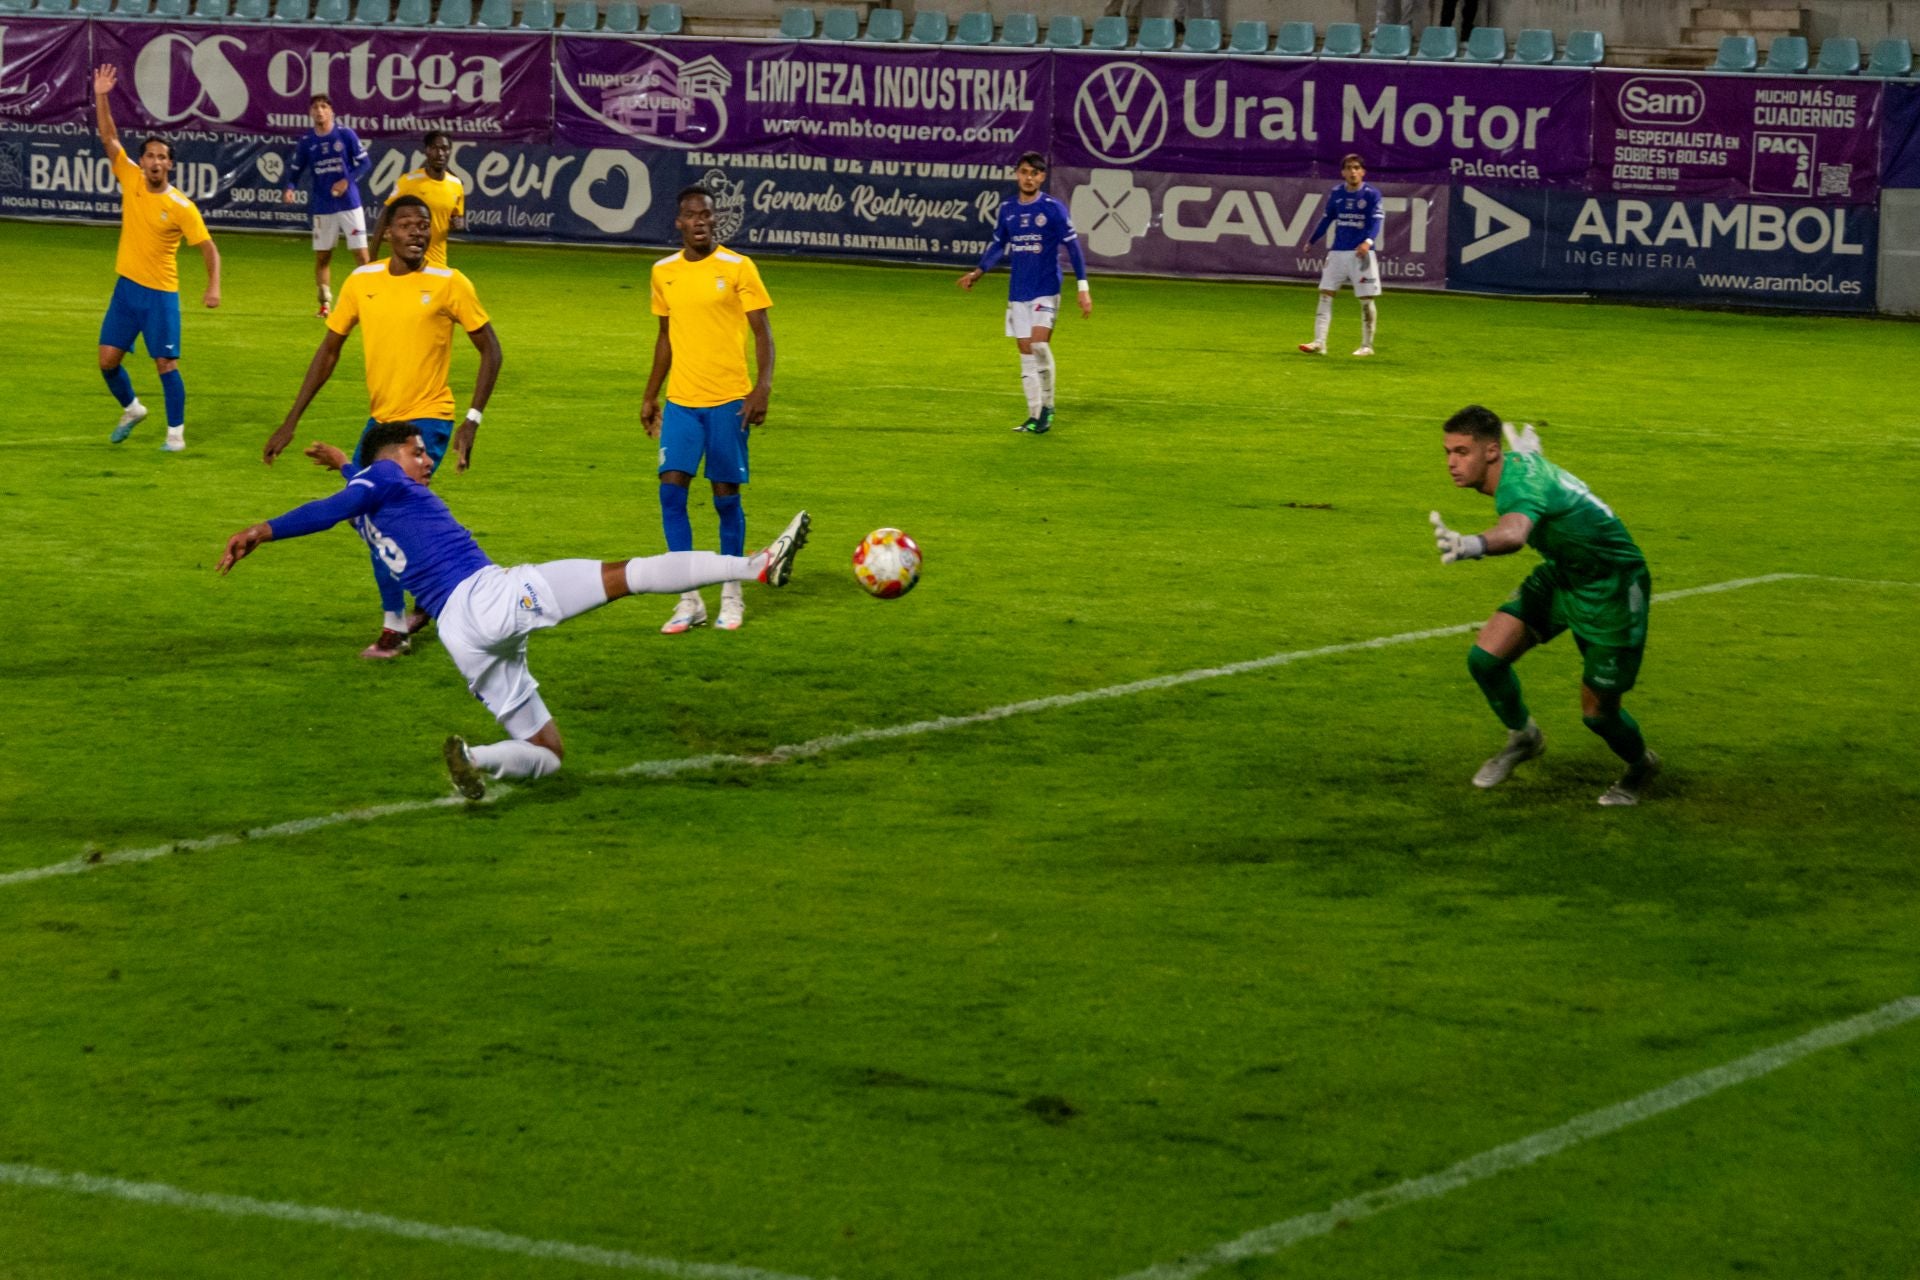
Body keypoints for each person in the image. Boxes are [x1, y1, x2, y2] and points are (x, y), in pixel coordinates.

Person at [219, 422, 811, 799]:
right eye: (416, 452)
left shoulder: (375, 494)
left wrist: (344, 463)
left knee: (549, 754)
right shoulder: (380, 478)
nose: (427, 461)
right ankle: (756, 565)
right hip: (486, 597)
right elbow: (332, 505)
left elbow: (355, 497)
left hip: (461, 637)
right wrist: (263, 530)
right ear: (388, 458)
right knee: (624, 575)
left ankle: (474, 759)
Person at [261, 195, 503, 660]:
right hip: (380, 422)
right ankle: (432, 595)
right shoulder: (361, 281)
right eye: (408, 224)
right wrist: (291, 420)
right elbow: (329, 350)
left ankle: (397, 626)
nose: (418, 232)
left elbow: (491, 349)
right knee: (372, 518)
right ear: (387, 232)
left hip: (426, 419)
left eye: (424, 225)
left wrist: (471, 421)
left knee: (376, 516)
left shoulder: (450, 283)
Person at [1430, 407, 1660, 806]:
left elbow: (1515, 533)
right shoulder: (1519, 466)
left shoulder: (1516, 486)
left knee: (1598, 714)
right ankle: (1524, 737)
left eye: (1463, 451)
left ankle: (1642, 765)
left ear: (1491, 452)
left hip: (1614, 587)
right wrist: (1534, 457)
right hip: (1564, 573)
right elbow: (1533, 472)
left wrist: (1472, 545)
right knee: (1485, 659)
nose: (1452, 462)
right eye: (1448, 451)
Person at [640, 185, 776, 635]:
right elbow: (665, 337)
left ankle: (732, 594)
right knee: (670, 492)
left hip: (727, 402)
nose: (700, 221)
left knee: (725, 499)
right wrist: (650, 393)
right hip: (682, 402)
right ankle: (688, 599)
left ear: (714, 220)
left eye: (707, 215)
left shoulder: (739, 267)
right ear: (678, 222)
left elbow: (762, 333)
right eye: (691, 216)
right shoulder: (663, 273)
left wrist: (762, 388)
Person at [92, 64, 221, 454]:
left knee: (166, 365)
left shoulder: (182, 207)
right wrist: (101, 95)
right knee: (106, 362)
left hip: (160, 295)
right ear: (142, 161)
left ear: (170, 164)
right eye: (148, 155)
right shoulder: (130, 178)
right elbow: (109, 136)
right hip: (126, 289)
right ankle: (132, 409)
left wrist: (213, 285)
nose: (153, 161)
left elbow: (208, 248)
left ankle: (176, 436)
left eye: (161, 157)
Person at [957, 151, 1091, 434]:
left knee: (1039, 346)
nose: (1029, 178)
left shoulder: (1053, 209)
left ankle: (1049, 408)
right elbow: (997, 245)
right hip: (1018, 290)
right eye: (1024, 172)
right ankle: (1033, 415)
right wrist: (978, 272)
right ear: (1017, 174)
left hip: (1046, 288)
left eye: (1035, 173)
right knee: (1025, 353)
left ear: (1042, 177)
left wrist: (1083, 288)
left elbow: (1074, 248)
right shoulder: (1008, 210)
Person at [281, 93, 372, 319]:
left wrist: (346, 181)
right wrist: (290, 187)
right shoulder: (307, 142)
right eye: (315, 107)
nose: (319, 111)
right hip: (323, 206)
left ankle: (370, 299)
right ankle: (324, 305)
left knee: (361, 254)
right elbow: (295, 171)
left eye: (323, 107)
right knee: (323, 257)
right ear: (311, 113)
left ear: (331, 111)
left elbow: (365, 163)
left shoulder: (345, 135)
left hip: (349, 204)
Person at [1299, 154, 1383, 358]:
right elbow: (1327, 219)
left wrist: (1368, 242)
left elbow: (1376, 222)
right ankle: (1319, 343)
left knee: (1365, 299)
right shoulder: (1336, 193)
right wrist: (1312, 240)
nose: (1353, 171)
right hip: (1337, 252)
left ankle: (1367, 345)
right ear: (1343, 172)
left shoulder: (1372, 194)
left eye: (1356, 168)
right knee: (1325, 294)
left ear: (1363, 172)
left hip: (1361, 255)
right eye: (1348, 168)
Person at [368, 130, 466, 269]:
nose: (440, 154)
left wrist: (458, 224)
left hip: (438, 262)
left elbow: (456, 218)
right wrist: (372, 255)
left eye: (444, 148)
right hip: (408, 260)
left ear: (450, 151)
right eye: (434, 148)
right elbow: (385, 215)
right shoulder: (408, 182)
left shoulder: (456, 185)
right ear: (426, 151)